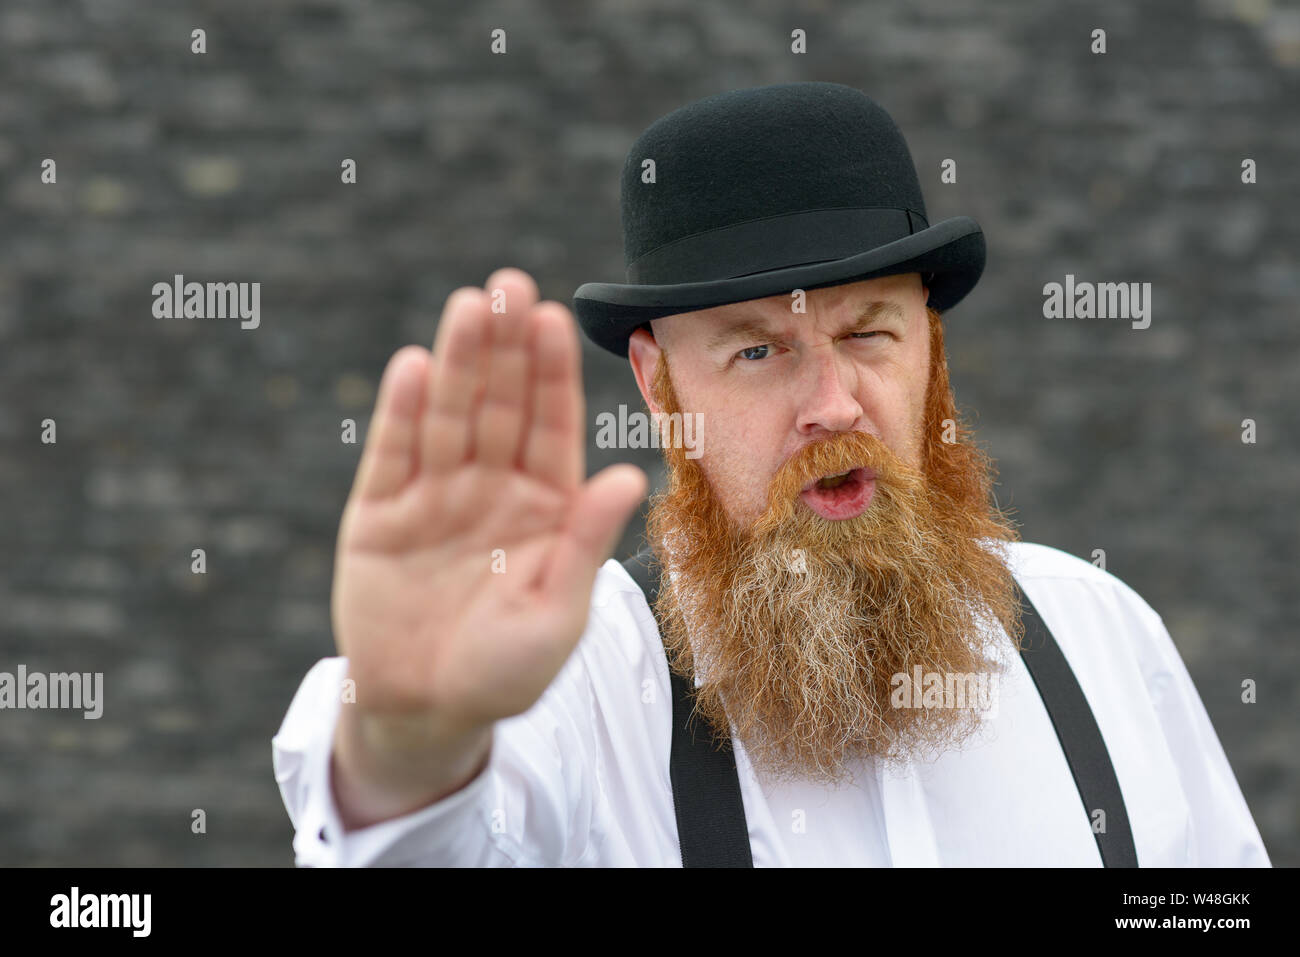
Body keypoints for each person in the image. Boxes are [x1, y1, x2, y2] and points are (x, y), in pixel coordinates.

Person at [272, 82, 1270, 866]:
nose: (832, 404)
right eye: (756, 353)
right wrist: (408, 737)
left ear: (931, 349)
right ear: (659, 388)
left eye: (869, 332)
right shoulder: (572, 687)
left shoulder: (1102, 639)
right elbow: (418, 847)